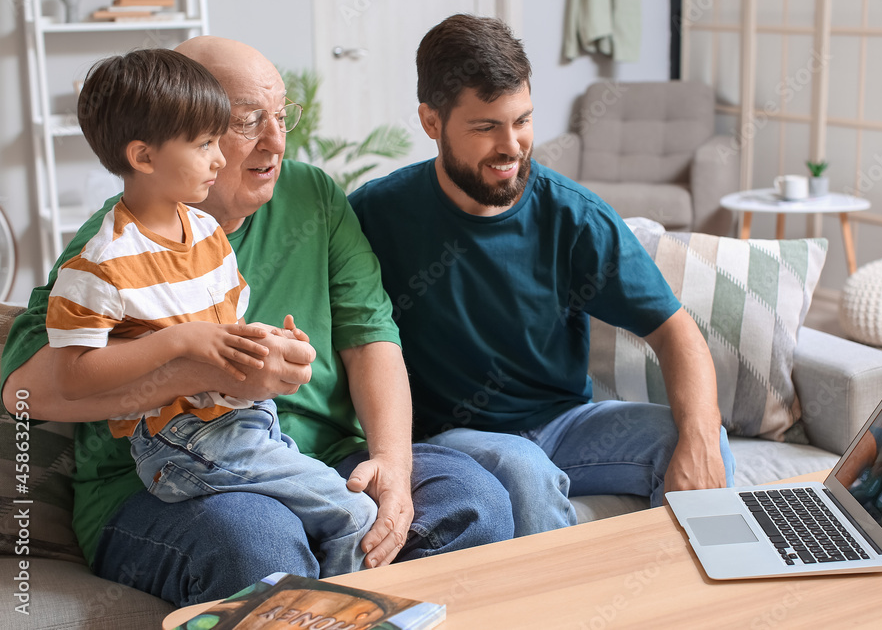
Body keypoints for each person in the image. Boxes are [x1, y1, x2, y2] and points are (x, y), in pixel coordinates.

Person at [1, 37, 514, 607]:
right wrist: (201, 371)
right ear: (177, 129)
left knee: (473, 500)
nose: (275, 141)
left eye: (281, 114)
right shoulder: (111, 250)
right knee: (259, 539)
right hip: (169, 479)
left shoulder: (311, 195)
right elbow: (27, 390)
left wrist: (392, 463)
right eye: (247, 122)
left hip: (313, 457)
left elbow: (371, 335)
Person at [348, 14, 736, 537]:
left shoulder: (573, 215)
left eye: (523, 121)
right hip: (453, 437)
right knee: (522, 467)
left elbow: (674, 331)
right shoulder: (376, 213)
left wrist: (701, 439)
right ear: (432, 122)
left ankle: (703, 603)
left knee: (700, 436)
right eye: (486, 127)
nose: (511, 146)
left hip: (567, 425)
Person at [48, 48, 380, 577]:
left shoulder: (204, 234)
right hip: (180, 443)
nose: (220, 157)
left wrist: (271, 344)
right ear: (144, 157)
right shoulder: (100, 262)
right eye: (208, 142)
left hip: (247, 424)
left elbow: (229, 329)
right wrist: (178, 344)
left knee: (418, 500)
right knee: (353, 514)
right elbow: (70, 376)